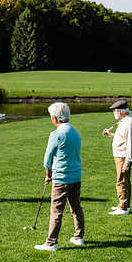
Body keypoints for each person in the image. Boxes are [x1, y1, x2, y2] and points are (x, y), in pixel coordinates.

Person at [35, 102, 85, 251]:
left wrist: (48, 174)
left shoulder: (56, 134)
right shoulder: (75, 132)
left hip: (62, 178)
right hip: (76, 177)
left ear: (55, 118)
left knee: (56, 211)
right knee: (76, 207)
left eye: (51, 116)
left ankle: (51, 243)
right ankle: (78, 237)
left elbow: (47, 159)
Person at [103, 99, 132, 215]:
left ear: (119, 111)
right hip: (119, 156)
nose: (113, 113)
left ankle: (123, 208)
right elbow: (122, 138)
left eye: (114, 111)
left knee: (121, 181)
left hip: (124, 157)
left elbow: (131, 144)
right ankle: (124, 205)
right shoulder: (123, 121)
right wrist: (111, 134)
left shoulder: (130, 123)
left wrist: (127, 163)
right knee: (124, 180)